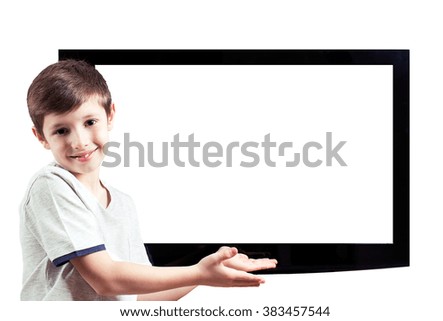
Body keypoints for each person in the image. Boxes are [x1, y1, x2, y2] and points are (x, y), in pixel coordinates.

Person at [20, 59, 277, 301]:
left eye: (90, 122)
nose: (79, 141)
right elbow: (105, 279)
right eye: (61, 130)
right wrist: (198, 272)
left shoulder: (123, 203)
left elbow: (137, 295)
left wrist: (211, 272)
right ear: (41, 136)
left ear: (110, 116)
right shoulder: (51, 185)